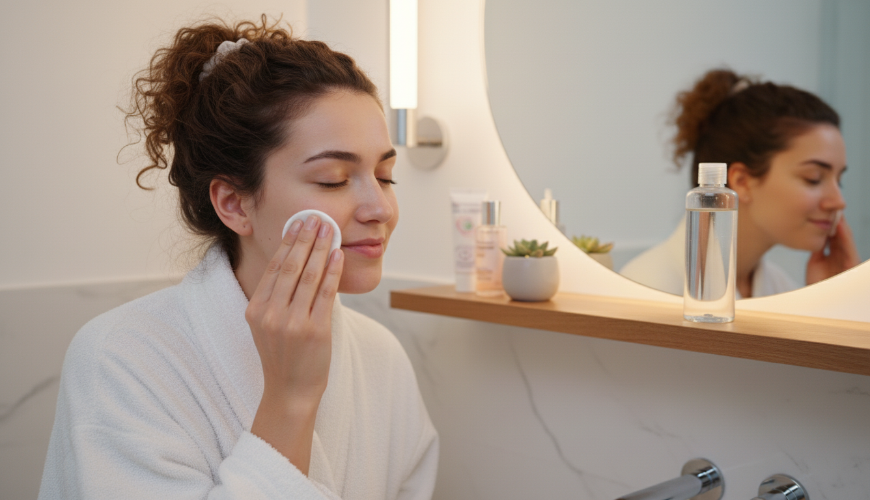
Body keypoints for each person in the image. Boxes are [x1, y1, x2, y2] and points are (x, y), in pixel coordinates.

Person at [38, 17, 438, 499]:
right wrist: (290, 399)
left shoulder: (381, 355)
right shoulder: (121, 358)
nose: (381, 208)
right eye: (333, 178)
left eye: (386, 175)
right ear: (234, 203)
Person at [620, 68, 861, 299]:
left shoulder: (780, 288)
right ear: (742, 182)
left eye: (840, 181)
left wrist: (831, 297)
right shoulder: (649, 290)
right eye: (814, 178)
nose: (838, 201)